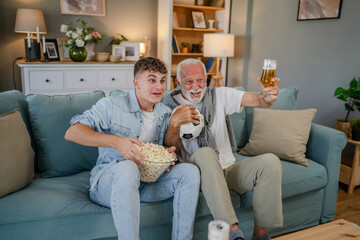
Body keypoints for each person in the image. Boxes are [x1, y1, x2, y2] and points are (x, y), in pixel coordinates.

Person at [64, 57, 200, 240]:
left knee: (190, 171)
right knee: (129, 167)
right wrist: (117, 142)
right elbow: (72, 132)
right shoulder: (111, 105)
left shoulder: (165, 113)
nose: (159, 87)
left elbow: (170, 146)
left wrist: (166, 154)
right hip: (110, 183)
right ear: (136, 82)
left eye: (162, 80)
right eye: (151, 80)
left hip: (146, 183)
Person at [162, 58, 283, 240]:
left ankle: (261, 235)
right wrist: (174, 123)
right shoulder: (168, 104)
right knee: (205, 153)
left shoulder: (219, 95)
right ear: (178, 83)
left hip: (227, 169)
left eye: (200, 80)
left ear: (206, 79)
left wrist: (267, 96)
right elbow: (169, 147)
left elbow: (259, 101)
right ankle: (232, 231)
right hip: (197, 174)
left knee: (270, 162)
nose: (196, 86)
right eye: (189, 81)